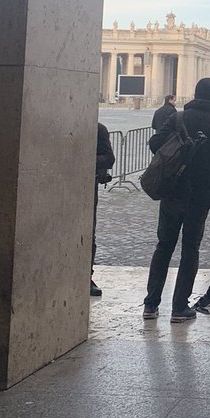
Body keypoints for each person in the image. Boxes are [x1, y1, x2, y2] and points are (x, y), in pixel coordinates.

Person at [142, 78, 210, 323]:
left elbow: (154, 143)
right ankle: (179, 307)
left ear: (194, 93)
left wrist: (176, 152)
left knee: (164, 246)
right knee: (190, 249)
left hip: (172, 191)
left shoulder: (179, 118)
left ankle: (151, 305)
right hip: (200, 195)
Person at [91, 122, 116, 297]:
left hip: (87, 187)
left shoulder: (98, 129)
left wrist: (87, 157)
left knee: (88, 232)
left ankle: (87, 275)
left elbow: (109, 157)